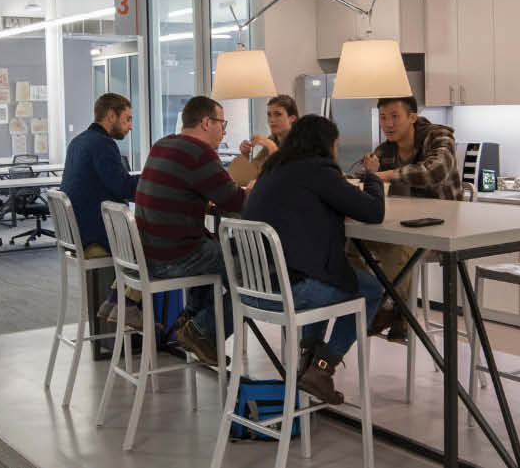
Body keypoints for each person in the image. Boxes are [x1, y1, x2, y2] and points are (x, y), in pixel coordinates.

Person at [242, 115, 386, 404]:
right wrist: (372, 176)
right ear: (326, 145)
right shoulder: (318, 170)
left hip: (253, 290)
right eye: (336, 145)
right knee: (371, 289)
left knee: (320, 272)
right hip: (291, 291)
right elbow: (373, 212)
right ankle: (323, 367)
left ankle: (308, 362)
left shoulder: (273, 169)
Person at [135, 96, 248, 366]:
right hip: (173, 259)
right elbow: (234, 202)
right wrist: (256, 191)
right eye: (222, 124)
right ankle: (203, 331)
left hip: (148, 254)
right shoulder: (200, 153)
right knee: (255, 268)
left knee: (213, 249)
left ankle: (192, 319)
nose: (224, 131)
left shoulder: (162, 145)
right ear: (206, 122)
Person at [349, 95, 466, 341]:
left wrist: (386, 175)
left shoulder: (438, 136)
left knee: (398, 247)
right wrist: (366, 174)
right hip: (404, 227)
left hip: (444, 230)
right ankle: (376, 303)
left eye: (394, 116)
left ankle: (392, 307)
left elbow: (437, 170)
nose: (388, 123)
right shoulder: (385, 149)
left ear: (412, 117)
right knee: (348, 245)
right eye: (383, 117)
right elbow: (369, 178)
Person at [62, 94, 144, 323]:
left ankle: (117, 301)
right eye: (127, 119)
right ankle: (127, 304)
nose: (130, 126)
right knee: (154, 244)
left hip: (78, 234)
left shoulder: (78, 142)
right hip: (97, 237)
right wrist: (156, 182)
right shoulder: (104, 144)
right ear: (111, 116)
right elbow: (122, 186)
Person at [237, 94, 300, 161]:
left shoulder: (302, 144)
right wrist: (245, 154)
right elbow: (255, 169)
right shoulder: (271, 139)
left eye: (278, 114)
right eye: (269, 115)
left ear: (292, 118)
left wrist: (272, 148)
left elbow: (289, 170)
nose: (271, 120)